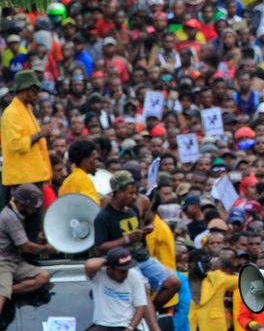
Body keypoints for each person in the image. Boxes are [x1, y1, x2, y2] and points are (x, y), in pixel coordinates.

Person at [93, 171, 181, 309]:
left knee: (173, 282)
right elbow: (99, 247)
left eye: (135, 193)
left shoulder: (132, 208)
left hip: (143, 257)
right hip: (126, 263)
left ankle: (152, 311)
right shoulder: (103, 217)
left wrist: (144, 233)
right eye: (130, 193)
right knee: (143, 289)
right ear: (119, 192)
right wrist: (126, 239)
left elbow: (136, 234)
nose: (134, 197)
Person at [0, 184, 54, 319]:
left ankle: (7, 291)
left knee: (43, 277)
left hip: (15, 261)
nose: (33, 211)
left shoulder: (16, 215)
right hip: (3, 263)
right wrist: (46, 248)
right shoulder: (9, 217)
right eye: (32, 208)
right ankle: (4, 292)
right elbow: (26, 247)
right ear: (22, 204)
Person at [1, 70, 52, 203]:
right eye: (34, 91)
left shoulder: (26, 109)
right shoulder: (11, 113)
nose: (37, 95)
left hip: (32, 177)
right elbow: (15, 144)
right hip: (23, 179)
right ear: (25, 89)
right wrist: (41, 134)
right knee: (31, 223)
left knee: (35, 222)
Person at [84, 247, 147, 331]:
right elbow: (89, 265)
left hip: (126, 325)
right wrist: (109, 259)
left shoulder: (135, 276)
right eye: (122, 272)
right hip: (102, 324)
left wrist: (130, 328)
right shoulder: (98, 275)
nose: (126, 275)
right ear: (110, 270)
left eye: (127, 270)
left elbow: (140, 306)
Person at [187, 248, 239, 331]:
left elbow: (241, 281)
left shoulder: (217, 277)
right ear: (192, 265)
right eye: (204, 263)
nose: (208, 266)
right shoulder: (181, 280)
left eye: (209, 263)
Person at [59, 139, 101, 205]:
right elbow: (91, 207)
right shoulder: (84, 180)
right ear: (84, 161)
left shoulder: (67, 181)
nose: (98, 164)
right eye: (95, 159)